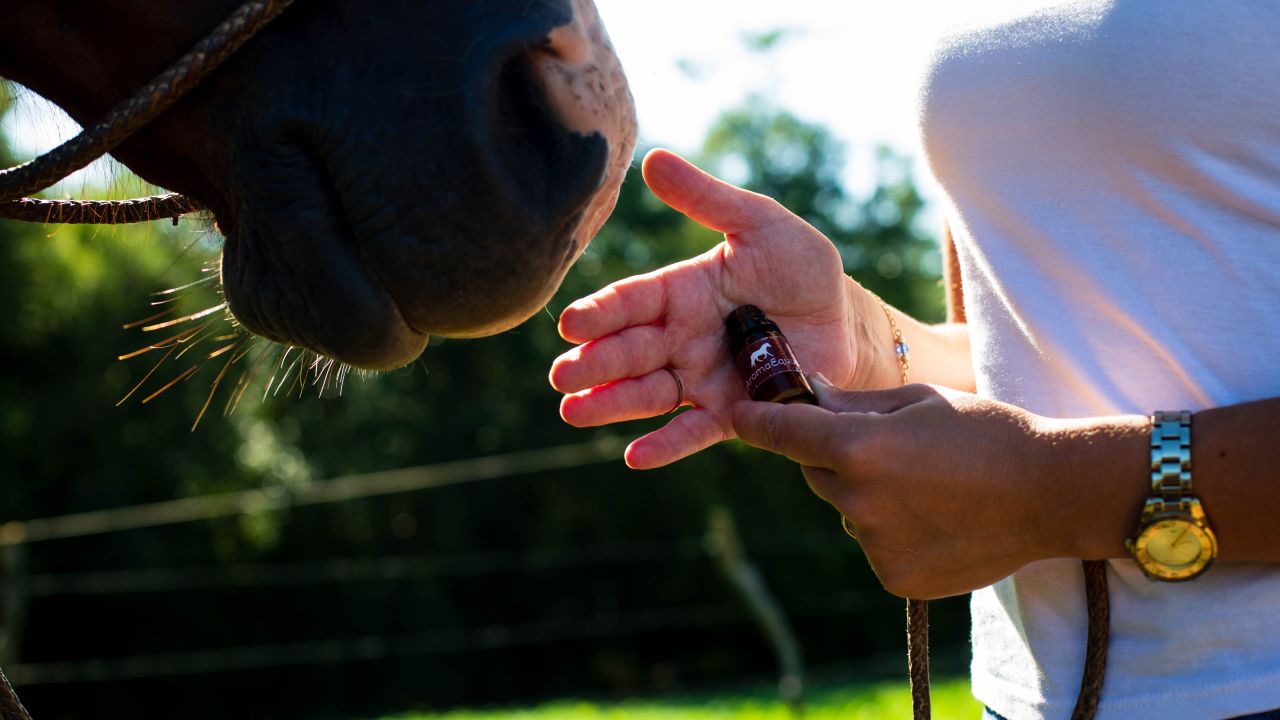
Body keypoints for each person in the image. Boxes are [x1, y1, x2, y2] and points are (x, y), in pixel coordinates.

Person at [549, 3, 1280, 719]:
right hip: (1032, 694)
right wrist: (862, 337)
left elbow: (1038, 464)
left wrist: (1051, 492)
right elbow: (1009, 355)